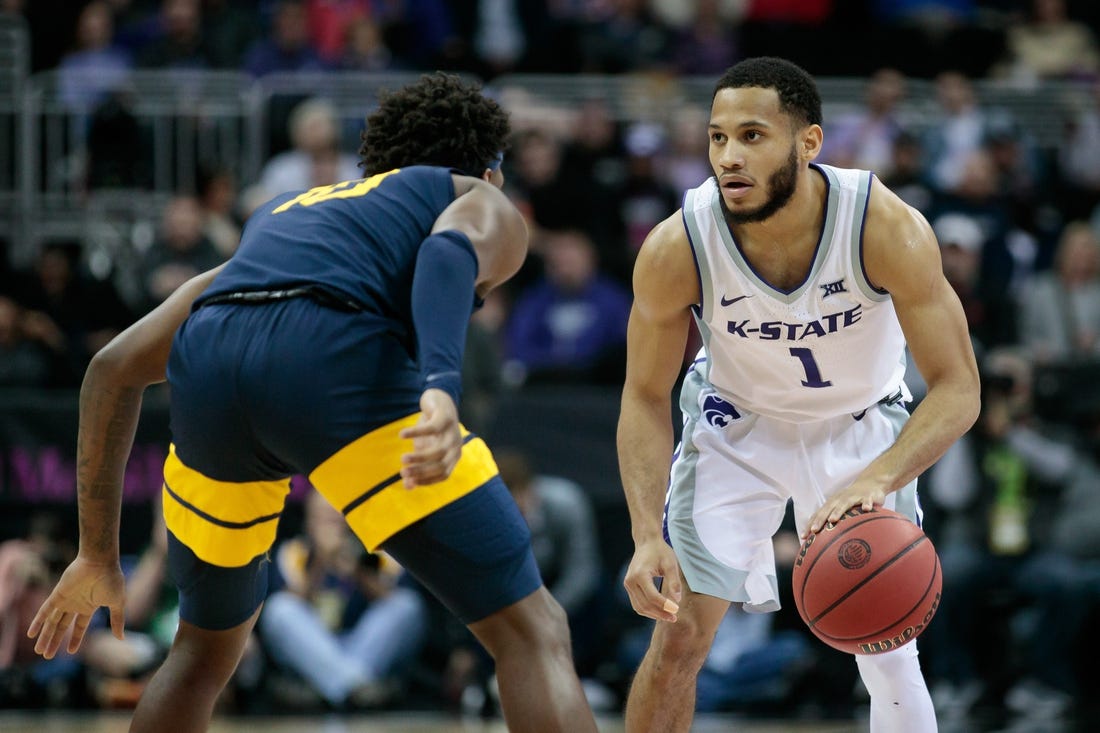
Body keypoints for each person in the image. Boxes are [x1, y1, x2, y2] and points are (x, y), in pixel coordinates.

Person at [26, 72, 597, 733]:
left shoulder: (292, 213)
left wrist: (96, 552)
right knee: (531, 628)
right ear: (490, 170)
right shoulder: (473, 194)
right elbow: (446, 252)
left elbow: (110, 369)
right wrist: (441, 386)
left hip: (212, 358)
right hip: (331, 357)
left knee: (203, 648)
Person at [617, 57, 980, 732]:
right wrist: (645, 534)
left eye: (752, 136)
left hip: (860, 426)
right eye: (717, 137)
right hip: (736, 426)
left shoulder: (883, 226)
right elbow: (643, 395)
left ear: (808, 143)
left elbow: (960, 389)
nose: (729, 156)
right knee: (678, 639)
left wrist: (877, 476)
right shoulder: (677, 246)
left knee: (890, 650)